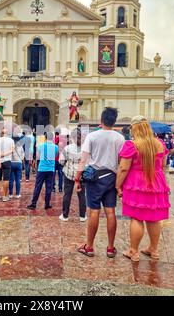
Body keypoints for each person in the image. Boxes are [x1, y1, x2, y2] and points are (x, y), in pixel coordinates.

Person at [116, 116, 170, 262]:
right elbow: (164, 165)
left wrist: (117, 185)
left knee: (137, 217)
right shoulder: (159, 144)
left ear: (134, 128)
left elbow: (123, 168)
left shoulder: (131, 145)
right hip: (156, 182)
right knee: (154, 218)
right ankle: (154, 249)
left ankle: (134, 251)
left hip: (137, 183)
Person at [76, 107, 125, 258]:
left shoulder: (92, 136)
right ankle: (110, 248)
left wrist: (78, 178)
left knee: (94, 212)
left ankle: (89, 246)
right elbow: (121, 161)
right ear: (114, 121)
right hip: (112, 177)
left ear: (101, 120)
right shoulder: (120, 138)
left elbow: (83, 159)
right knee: (110, 211)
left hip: (95, 178)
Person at [59, 128, 87, 222]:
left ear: (72, 137)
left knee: (67, 194)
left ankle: (65, 215)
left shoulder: (67, 148)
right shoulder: (84, 148)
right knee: (82, 195)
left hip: (68, 174)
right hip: (81, 175)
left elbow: (61, 161)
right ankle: (82, 216)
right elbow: (87, 162)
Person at [27, 132, 58, 210]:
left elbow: (38, 157)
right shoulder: (56, 147)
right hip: (51, 169)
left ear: (45, 137)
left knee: (38, 186)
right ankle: (47, 204)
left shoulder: (41, 146)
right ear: (53, 138)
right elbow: (55, 155)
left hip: (41, 169)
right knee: (49, 187)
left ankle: (33, 204)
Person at [0, 129, 15, 202]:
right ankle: (5, 196)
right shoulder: (11, 140)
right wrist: (4, 155)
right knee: (6, 179)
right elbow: (12, 151)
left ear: (1, 133)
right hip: (7, 161)